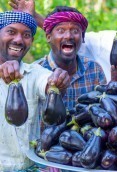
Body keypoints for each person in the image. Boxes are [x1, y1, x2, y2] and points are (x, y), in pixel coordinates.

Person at [0, 11, 70, 171]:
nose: (18, 40)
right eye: (11, 32)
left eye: (26, 35)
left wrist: (58, 81)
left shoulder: (35, 72)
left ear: (31, 41)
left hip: (30, 166)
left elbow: (47, 82)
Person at [36, 6, 106, 111]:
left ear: (82, 38)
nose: (68, 36)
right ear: (48, 37)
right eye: (61, 30)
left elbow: (103, 110)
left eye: (75, 31)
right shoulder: (36, 72)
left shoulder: (94, 70)